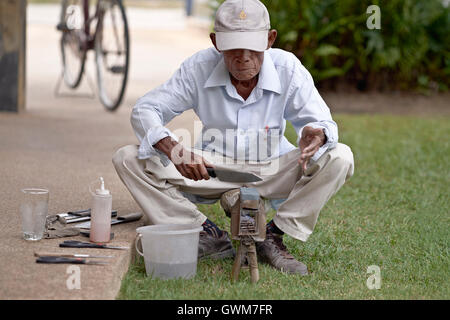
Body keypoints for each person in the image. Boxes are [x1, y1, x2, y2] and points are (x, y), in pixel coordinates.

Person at [113, 0, 354, 275]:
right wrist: (175, 150)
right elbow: (146, 109)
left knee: (340, 156)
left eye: (253, 46)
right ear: (216, 42)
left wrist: (318, 134)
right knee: (128, 158)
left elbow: (321, 121)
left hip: (272, 168)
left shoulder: (288, 68)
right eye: (233, 48)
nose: (243, 57)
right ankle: (206, 232)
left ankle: (274, 235)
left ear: (269, 39)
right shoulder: (198, 67)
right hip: (211, 169)